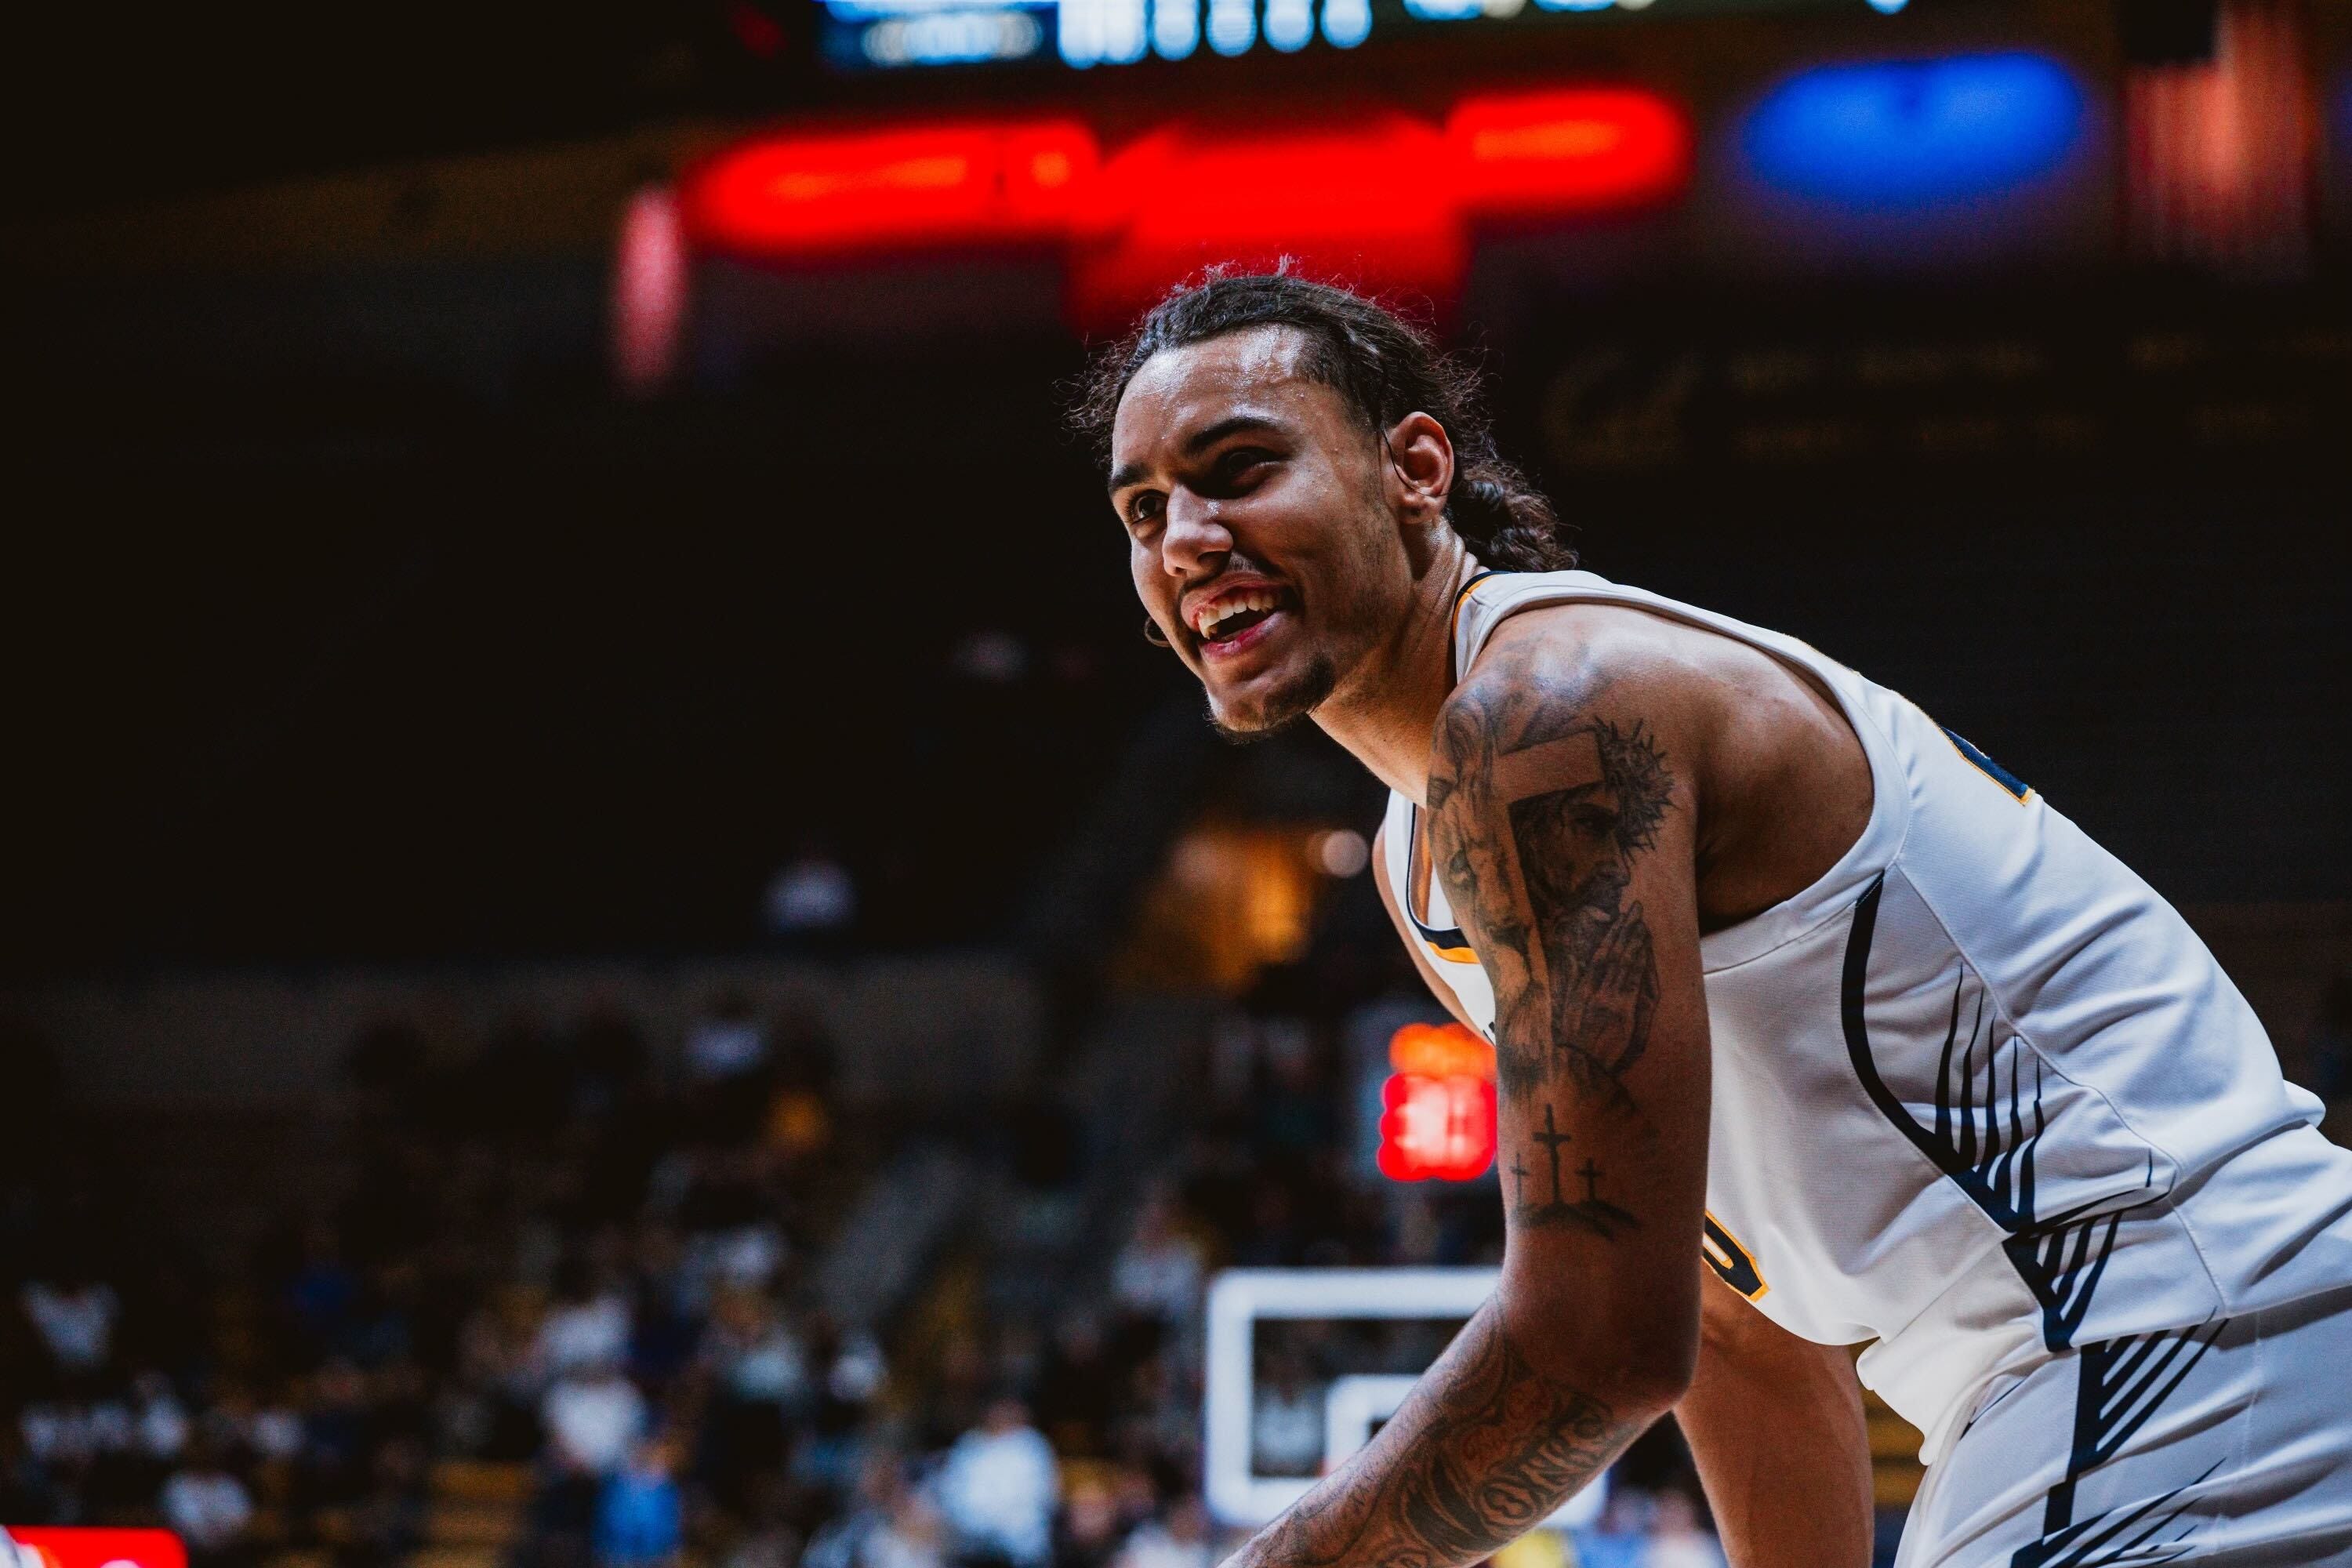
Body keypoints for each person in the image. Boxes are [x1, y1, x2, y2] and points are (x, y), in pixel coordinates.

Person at [1080, 270, 2352, 1566]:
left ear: (1415, 469)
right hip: (2143, 1359)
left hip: (2186, 1333)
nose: (1186, 539)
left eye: (1240, 470)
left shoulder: (1551, 717)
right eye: (1143, 509)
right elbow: (1740, 1325)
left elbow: (1595, 1344)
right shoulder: (1428, 848)